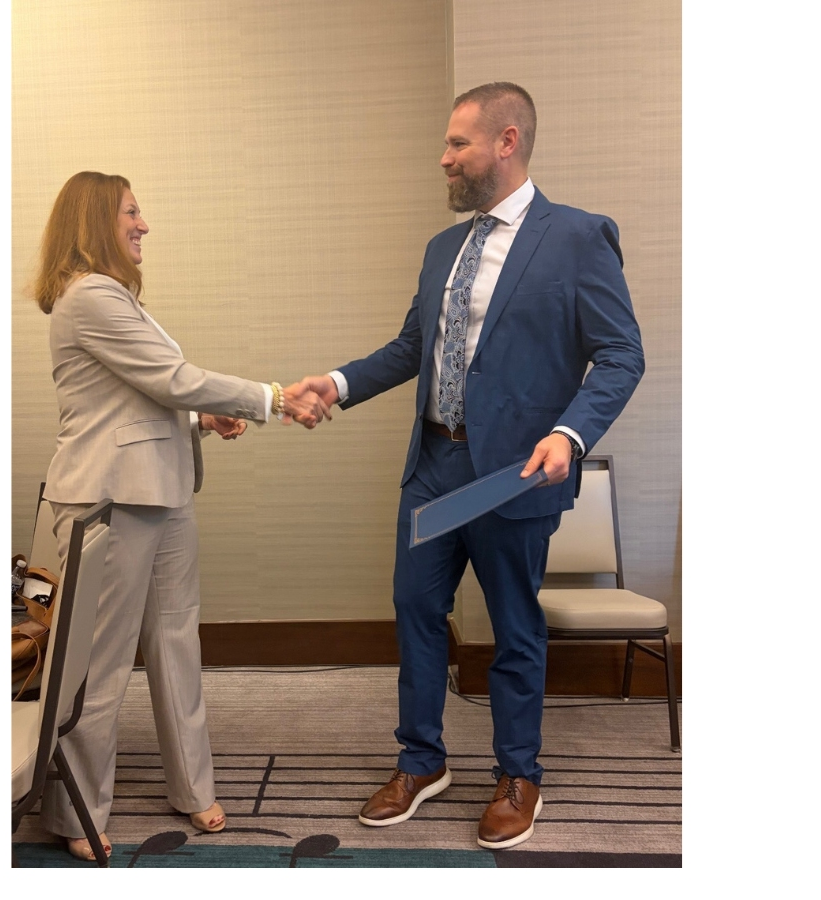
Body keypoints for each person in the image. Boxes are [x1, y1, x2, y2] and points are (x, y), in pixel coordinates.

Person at [298, 83, 644, 850]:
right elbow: (410, 349)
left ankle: (519, 775)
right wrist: (339, 384)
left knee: (513, 626)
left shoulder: (577, 237)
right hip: (435, 467)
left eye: (458, 143)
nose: (444, 158)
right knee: (417, 612)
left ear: (506, 142)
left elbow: (622, 353)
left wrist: (570, 433)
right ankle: (421, 760)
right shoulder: (441, 250)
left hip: (513, 476)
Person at [31, 170, 328, 861]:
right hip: (108, 499)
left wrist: (200, 418)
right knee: (98, 662)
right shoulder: (90, 296)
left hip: (160, 492)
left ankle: (192, 786)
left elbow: (143, 398)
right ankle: (76, 813)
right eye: (131, 212)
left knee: (175, 642)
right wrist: (272, 397)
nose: (143, 225)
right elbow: (171, 378)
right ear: (95, 220)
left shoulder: (120, 299)